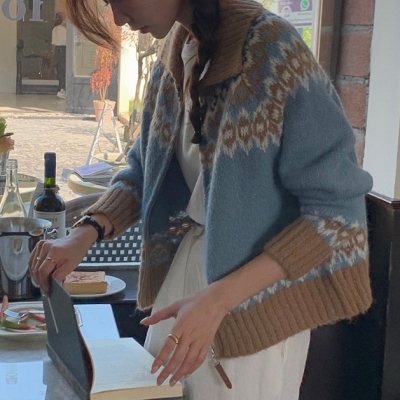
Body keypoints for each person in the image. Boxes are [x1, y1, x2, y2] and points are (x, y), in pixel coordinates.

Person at [29, 0, 374, 398]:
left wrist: (218, 300)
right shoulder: (176, 51)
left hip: (252, 308)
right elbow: (146, 170)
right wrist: (84, 234)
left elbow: (335, 215)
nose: (118, 17)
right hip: (183, 289)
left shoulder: (274, 52)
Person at [51, 12, 67, 99]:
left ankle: (61, 89)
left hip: (57, 50)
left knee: (59, 70)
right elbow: (67, 41)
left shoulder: (54, 29)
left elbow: (53, 43)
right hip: (63, 49)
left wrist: (53, 52)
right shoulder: (64, 30)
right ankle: (62, 90)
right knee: (63, 70)